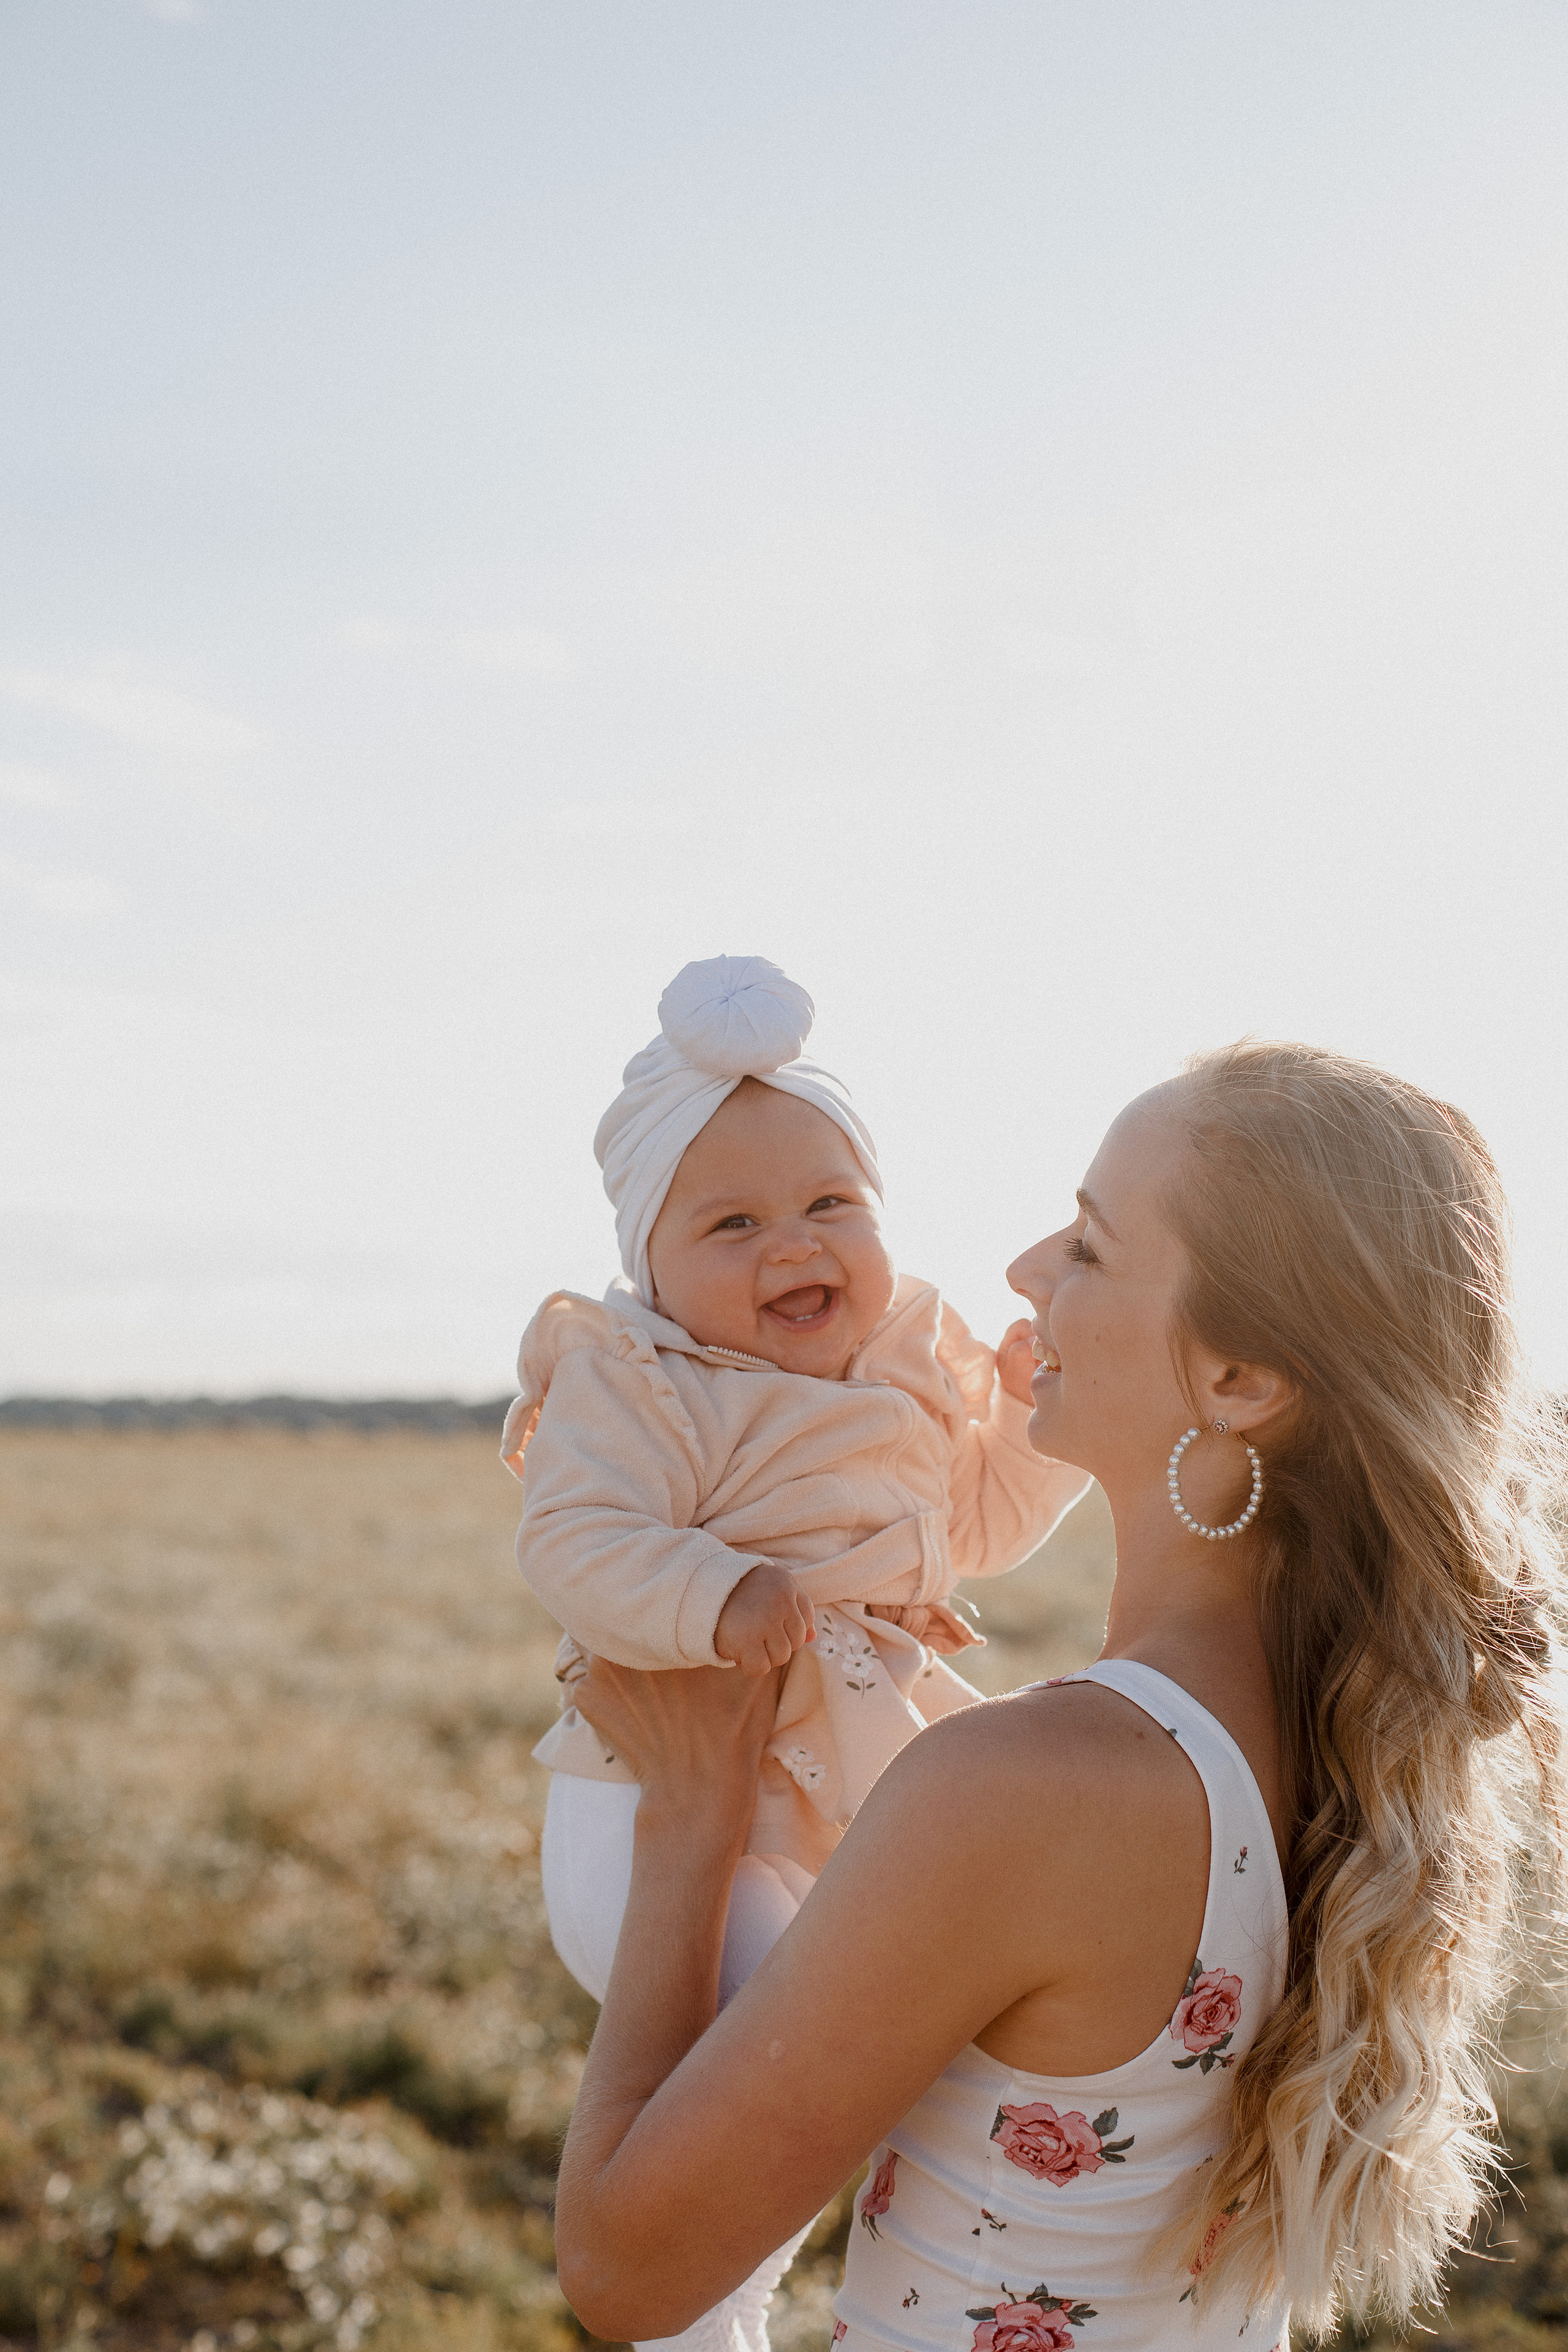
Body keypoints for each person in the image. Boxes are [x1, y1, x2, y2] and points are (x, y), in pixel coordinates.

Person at [549, 1041, 1566, 2352]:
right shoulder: (1353, 1743)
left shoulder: (1022, 1791)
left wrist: (690, 1824)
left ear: (1240, 1381)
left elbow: (626, 2270)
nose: (1027, 1268)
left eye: (1086, 1247)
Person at [503, 955, 1088, 2350]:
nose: (794, 1245)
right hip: (653, 1811)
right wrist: (713, 1590)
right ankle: (700, 2312)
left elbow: (973, 1534)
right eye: (732, 1223)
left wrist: (1013, 1429)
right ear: (650, 1264)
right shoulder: (643, 1379)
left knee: (850, 2057)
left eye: (832, 1204)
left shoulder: (899, 1373)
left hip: (840, 1785)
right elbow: (571, 1542)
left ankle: (769, 2298)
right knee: (789, 2056)